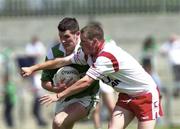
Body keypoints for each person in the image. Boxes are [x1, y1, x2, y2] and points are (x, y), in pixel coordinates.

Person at [21, 24, 163, 129]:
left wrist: (58, 96)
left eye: (83, 42)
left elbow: (86, 82)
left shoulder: (105, 57)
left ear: (95, 42)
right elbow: (62, 61)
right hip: (126, 95)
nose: (80, 45)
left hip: (146, 95)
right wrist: (33, 68)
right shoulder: (87, 53)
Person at [40, 17, 100, 129]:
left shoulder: (87, 50)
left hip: (86, 97)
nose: (63, 40)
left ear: (77, 34)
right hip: (64, 98)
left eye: (66, 36)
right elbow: (44, 82)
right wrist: (56, 89)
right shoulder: (54, 53)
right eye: (60, 37)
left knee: (58, 121)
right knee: (59, 126)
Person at [25, 35, 47, 126]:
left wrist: (31, 89)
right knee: (35, 111)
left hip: (38, 97)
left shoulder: (37, 76)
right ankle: (41, 123)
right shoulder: (34, 77)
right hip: (37, 96)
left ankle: (42, 123)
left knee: (36, 111)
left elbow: (38, 88)